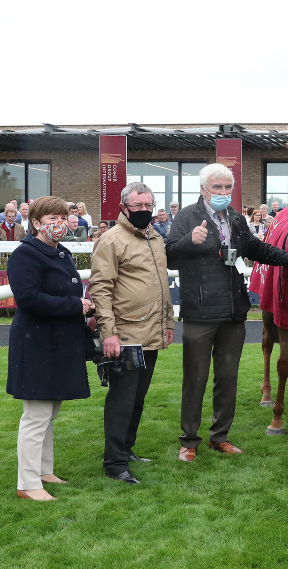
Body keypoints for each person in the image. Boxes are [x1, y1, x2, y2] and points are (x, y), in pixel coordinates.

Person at [166, 163, 288, 462]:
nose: (224, 193)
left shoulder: (237, 220)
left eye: (228, 188)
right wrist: (190, 241)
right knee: (195, 380)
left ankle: (220, 437)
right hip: (200, 313)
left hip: (233, 313)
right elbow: (169, 255)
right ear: (203, 189)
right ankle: (189, 441)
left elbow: (257, 249)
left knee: (227, 378)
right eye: (218, 188)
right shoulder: (187, 217)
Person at [6, 197, 93, 500]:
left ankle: (44, 471)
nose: (59, 223)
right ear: (35, 223)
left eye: (63, 216)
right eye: (51, 218)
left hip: (57, 343)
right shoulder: (25, 255)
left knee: (49, 413)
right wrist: (76, 305)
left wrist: (83, 307)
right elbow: (28, 299)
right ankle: (28, 484)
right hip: (36, 345)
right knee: (36, 416)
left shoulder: (62, 252)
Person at [89, 182, 175, 485]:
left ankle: (126, 449)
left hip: (151, 332)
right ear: (123, 207)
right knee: (122, 399)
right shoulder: (111, 240)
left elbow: (162, 284)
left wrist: (168, 323)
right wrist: (109, 334)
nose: (144, 210)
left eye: (148, 205)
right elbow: (100, 288)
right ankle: (115, 463)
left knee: (137, 398)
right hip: (125, 335)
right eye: (137, 206)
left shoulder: (155, 237)